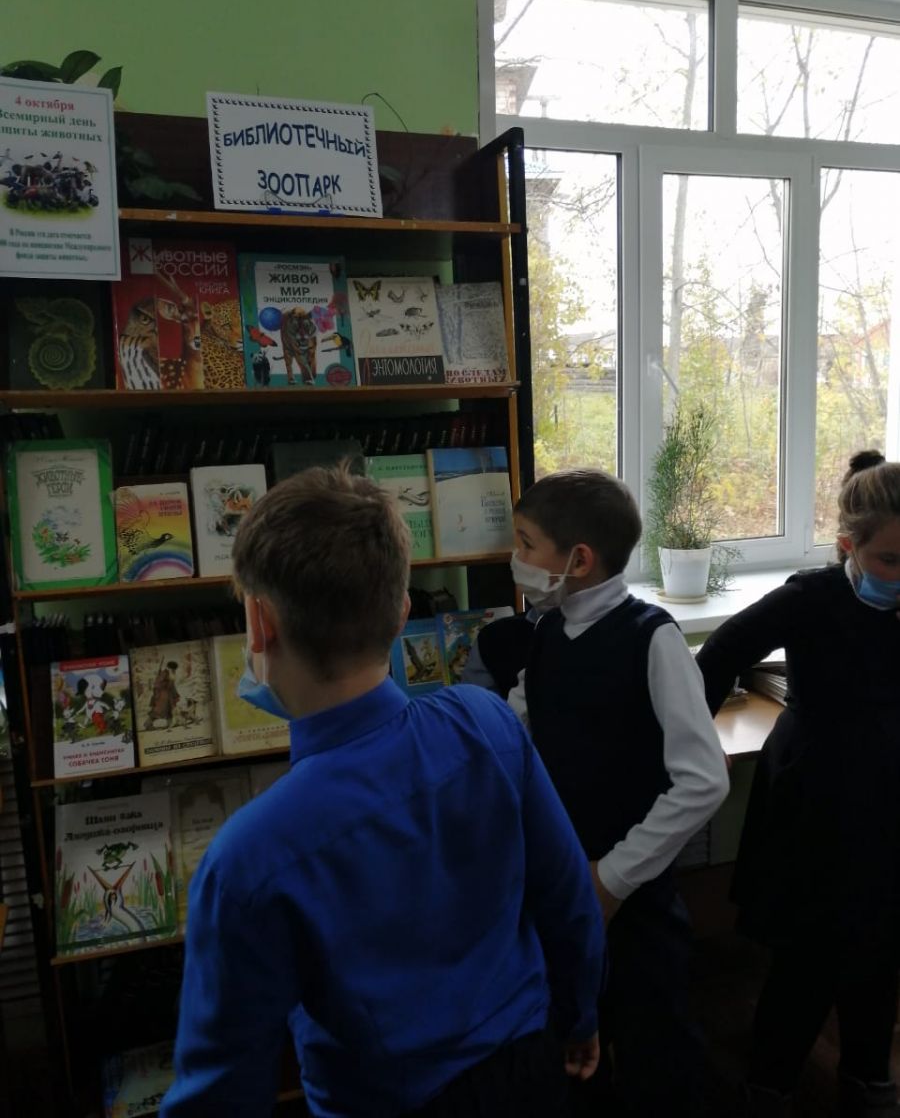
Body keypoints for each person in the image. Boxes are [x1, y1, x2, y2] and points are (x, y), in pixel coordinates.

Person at [160, 465, 606, 1118]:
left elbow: (221, 1093)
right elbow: (568, 901)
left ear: (259, 622)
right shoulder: (486, 724)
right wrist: (580, 1016)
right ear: (401, 613)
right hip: (529, 1070)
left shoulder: (245, 860)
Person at [466, 468, 730, 1117]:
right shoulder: (547, 632)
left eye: (526, 544)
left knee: (656, 1049)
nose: (515, 557)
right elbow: (517, 727)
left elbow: (703, 780)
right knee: (574, 1046)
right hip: (561, 885)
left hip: (634, 900)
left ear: (578, 561)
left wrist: (613, 879)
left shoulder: (652, 637)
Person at [697, 450, 900, 1118]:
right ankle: (771, 1084)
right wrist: (695, 745)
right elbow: (719, 654)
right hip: (818, 796)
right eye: (889, 561)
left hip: (888, 796)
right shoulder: (811, 597)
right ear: (847, 547)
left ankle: (867, 1078)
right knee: (808, 956)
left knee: (880, 949)